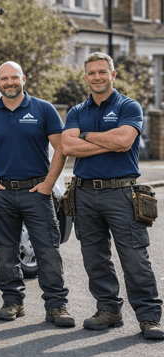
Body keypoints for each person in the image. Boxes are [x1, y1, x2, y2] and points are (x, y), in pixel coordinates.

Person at [62, 52, 163, 340]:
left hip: (122, 193)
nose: (97, 77)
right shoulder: (76, 111)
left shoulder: (128, 106)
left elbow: (124, 141)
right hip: (83, 193)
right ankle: (108, 309)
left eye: (102, 72)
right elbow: (67, 147)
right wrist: (106, 140)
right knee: (95, 258)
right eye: (91, 72)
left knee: (134, 257)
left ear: (113, 75)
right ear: (85, 77)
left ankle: (149, 317)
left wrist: (86, 136)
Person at [0, 62, 74, 326]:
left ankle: (56, 306)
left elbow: (60, 148)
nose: (9, 82)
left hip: (36, 192)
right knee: (5, 252)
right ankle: (12, 302)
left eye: (14, 77)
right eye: (4, 78)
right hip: (2, 193)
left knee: (48, 250)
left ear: (24, 79)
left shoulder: (43, 109)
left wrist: (49, 184)